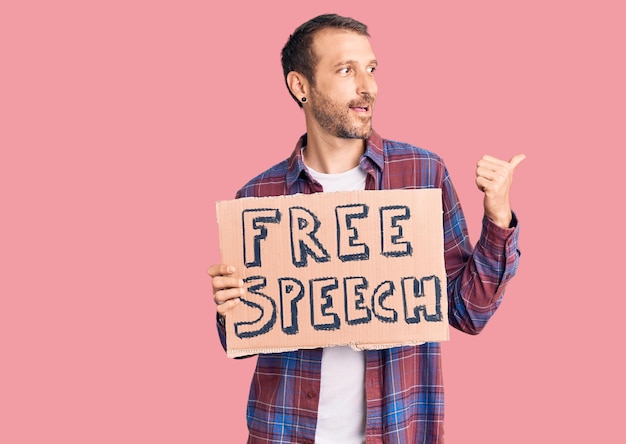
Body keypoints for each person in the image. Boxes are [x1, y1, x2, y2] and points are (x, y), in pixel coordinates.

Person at [208, 13, 524, 444]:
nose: (367, 87)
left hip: (397, 431)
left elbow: (468, 312)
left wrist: (499, 216)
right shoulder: (257, 199)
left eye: (371, 69)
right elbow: (245, 335)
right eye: (346, 70)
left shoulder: (421, 175)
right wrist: (229, 307)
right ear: (300, 86)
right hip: (285, 431)